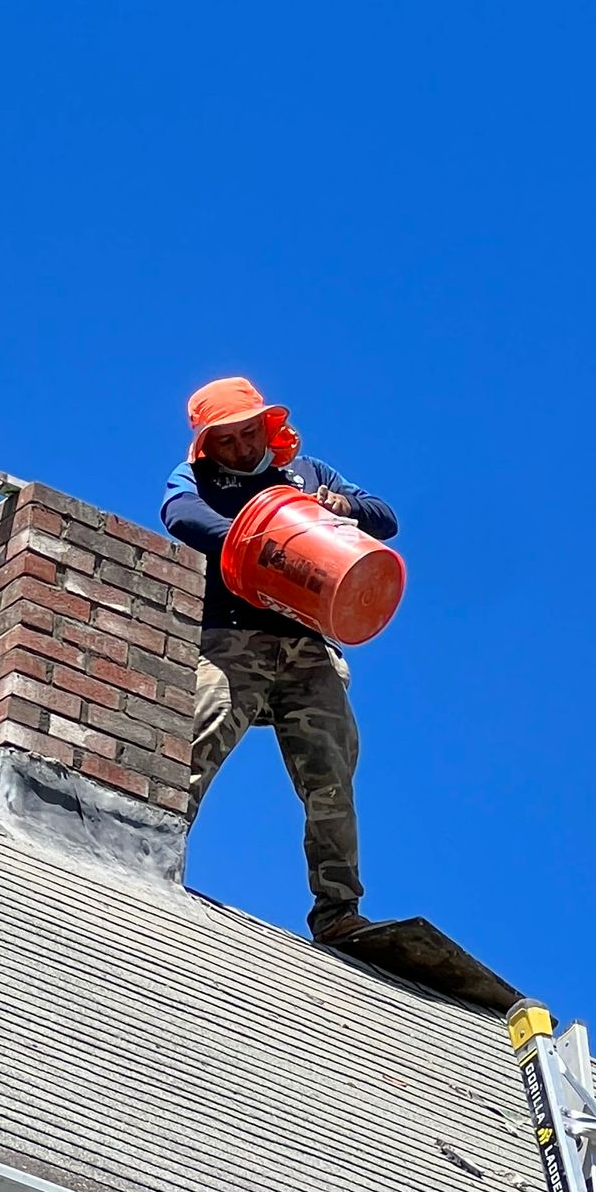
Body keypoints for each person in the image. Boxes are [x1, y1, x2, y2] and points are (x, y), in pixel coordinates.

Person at [161, 376, 397, 945]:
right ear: (206, 446)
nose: (241, 449)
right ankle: (147, 854)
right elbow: (178, 514)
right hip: (233, 638)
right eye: (226, 442)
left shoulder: (311, 475)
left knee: (331, 768)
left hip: (307, 646)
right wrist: (252, 539)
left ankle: (338, 911)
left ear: (266, 426)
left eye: (247, 435)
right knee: (201, 728)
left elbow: (384, 517)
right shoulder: (194, 479)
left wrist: (343, 509)